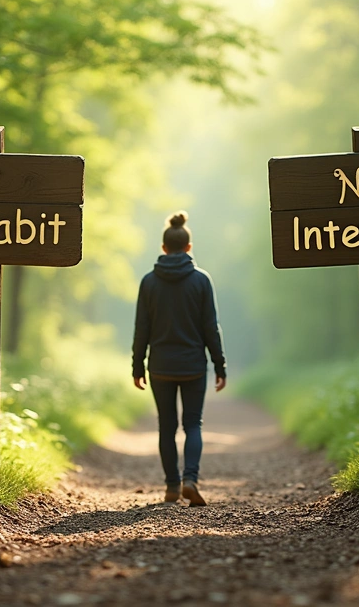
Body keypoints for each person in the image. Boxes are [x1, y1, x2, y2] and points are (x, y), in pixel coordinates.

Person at [131, 211, 226, 506]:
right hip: (193, 366)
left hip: (159, 366)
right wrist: (219, 364)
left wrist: (137, 366)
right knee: (193, 424)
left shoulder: (149, 282)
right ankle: (190, 479)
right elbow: (210, 327)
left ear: (163, 248)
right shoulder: (201, 280)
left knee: (166, 427)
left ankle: (172, 486)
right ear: (188, 247)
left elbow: (141, 328)